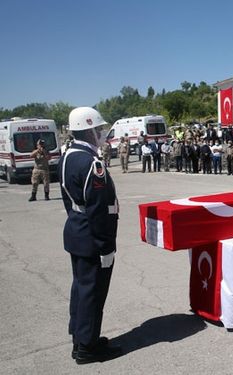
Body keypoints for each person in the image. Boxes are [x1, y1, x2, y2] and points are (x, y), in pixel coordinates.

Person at [58, 107, 121, 364]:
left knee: (82, 290)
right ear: (90, 130)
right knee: (92, 292)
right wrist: (106, 247)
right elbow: (98, 210)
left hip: (77, 231)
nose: (102, 133)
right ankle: (87, 347)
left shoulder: (68, 156)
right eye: (99, 129)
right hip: (92, 238)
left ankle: (81, 337)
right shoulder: (90, 163)